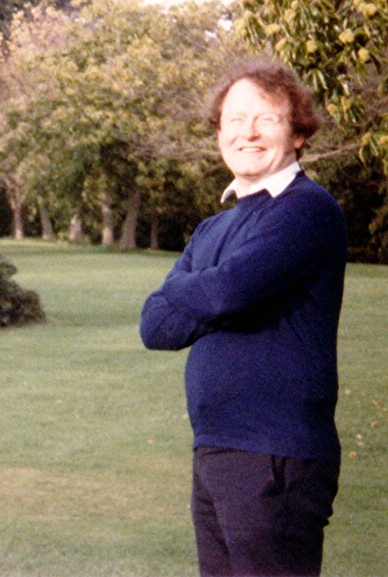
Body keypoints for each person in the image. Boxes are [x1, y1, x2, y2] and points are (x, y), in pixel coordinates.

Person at [140, 58, 346, 576]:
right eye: (234, 120)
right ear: (218, 132)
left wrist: (183, 287)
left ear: (297, 133)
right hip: (217, 450)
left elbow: (227, 292)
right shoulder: (213, 228)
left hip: (275, 456)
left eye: (266, 119)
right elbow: (156, 327)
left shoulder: (307, 209)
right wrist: (209, 290)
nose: (247, 132)